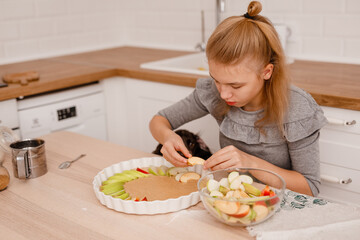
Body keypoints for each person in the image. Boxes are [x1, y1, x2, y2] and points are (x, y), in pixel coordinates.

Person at [149, 1, 327, 196]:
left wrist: (250, 163)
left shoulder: (296, 108)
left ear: (266, 72)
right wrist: (167, 138)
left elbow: (310, 188)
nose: (224, 94)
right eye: (216, 80)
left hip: (279, 202)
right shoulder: (213, 93)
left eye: (236, 86)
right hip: (232, 196)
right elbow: (159, 120)